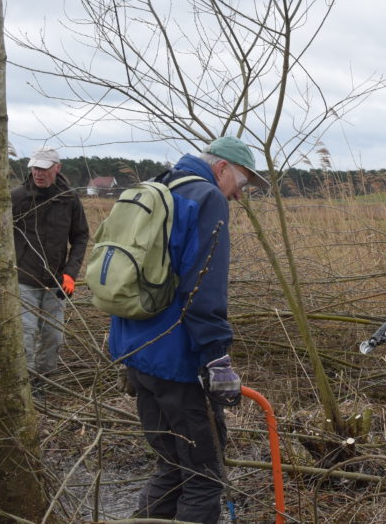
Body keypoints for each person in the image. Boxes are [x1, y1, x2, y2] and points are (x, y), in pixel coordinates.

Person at [108, 136, 269, 524]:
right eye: (241, 184)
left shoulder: (159, 187)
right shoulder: (206, 198)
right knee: (203, 476)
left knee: (171, 468)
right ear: (220, 169)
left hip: (137, 354)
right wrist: (218, 358)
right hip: (177, 363)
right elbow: (203, 289)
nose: (238, 196)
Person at [11, 146, 90, 389]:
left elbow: (80, 236)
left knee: (53, 336)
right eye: (35, 168)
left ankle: (42, 383)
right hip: (23, 278)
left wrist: (70, 274)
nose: (38, 173)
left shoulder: (69, 199)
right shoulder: (16, 198)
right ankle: (24, 384)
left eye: (44, 169)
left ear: (57, 168)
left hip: (56, 282)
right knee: (25, 333)